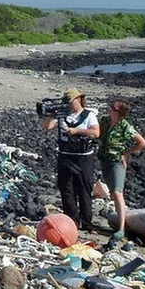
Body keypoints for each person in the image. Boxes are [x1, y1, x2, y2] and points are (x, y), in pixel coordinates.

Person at [41, 88, 100, 231]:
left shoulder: (89, 115)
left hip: (84, 157)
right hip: (65, 155)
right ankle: (72, 222)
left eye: (70, 101)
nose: (68, 104)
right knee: (66, 189)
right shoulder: (62, 115)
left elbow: (96, 132)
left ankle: (87, 223)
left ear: (78, 99)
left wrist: (77, 131)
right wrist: (51, 114)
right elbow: (47, 126)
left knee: (84, 189)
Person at [98, 99, 145, 242]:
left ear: (119, 113)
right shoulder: (105, 121)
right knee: (112, 192)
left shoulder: (125, 126)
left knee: (117, 192)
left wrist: (126, 154)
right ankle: (119, 224)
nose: (110, 110)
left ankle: (121, 229)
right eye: (111, 107)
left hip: (116, 162)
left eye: (113, 109)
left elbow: (142, 143)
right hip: (104, 160)